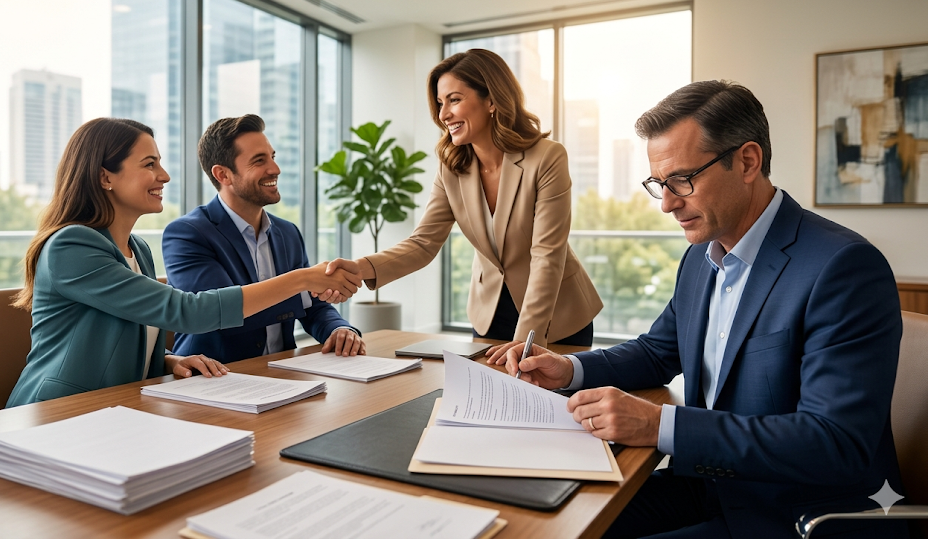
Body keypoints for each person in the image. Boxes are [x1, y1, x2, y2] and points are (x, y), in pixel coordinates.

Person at [490, 80, 907, 538]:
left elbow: (833, 443)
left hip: (794, 514)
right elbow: (657, 352)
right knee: (547, 522)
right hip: (710, 485)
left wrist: (659, 424)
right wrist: (568, 370)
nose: (667, 204)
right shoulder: (701, 256)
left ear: (748, 161)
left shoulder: (841, 267)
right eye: (659, 184)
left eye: (683, 180)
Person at [6, 118, 359, 407]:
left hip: (118, 406)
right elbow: (188, 311)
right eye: (150, 164)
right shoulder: (71, 245)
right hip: (60, 410)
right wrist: (301, 280)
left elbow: (124, 337)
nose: (165, 175)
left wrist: (168, 360)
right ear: (104, 177)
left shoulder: (138, 249)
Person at [329, 48, 602, 348]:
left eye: (455, 100)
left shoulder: (546, 158)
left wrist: (526, 343)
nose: (444, 114)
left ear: (492, 100)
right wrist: (362, 267)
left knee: (548, 394)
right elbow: (423, 243)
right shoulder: (452, 168)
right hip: (490, 312)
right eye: (440, 103)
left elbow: (547, 256)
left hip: (556, 315)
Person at [162, 114, 365, 363]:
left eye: (272, 157)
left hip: (282, 373)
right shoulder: (187, 234)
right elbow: (221, 312)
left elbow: (313, 305)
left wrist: (338, 329)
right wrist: (305, 282)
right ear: (223, 175)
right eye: (259, 161)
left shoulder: (288, 232)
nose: (275, 169)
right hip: (214, 378)